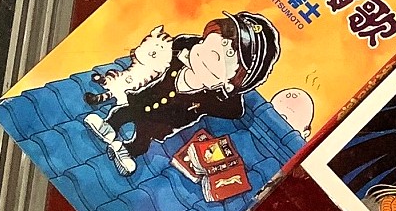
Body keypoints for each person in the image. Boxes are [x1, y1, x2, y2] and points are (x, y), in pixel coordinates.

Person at [83, 11, 281, 175]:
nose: (215, 52)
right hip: (146, 97)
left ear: (233, 81)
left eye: (231, 55)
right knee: (126, 111)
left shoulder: (217, 98)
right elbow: (171, 48)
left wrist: (227, 90)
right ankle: (109, 126)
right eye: (223, 40)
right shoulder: (183, 48)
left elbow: (235, 110)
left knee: (144, 136)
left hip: (166, 120)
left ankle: (127, 151)